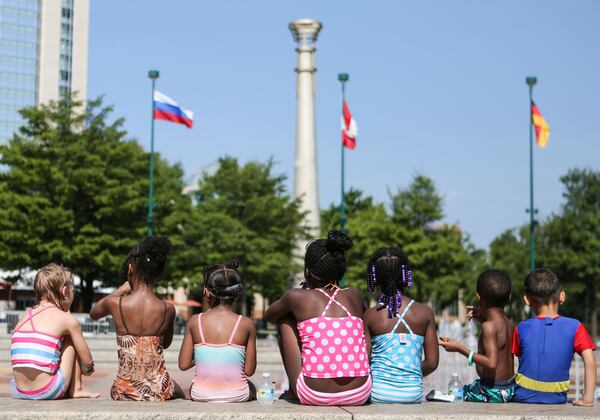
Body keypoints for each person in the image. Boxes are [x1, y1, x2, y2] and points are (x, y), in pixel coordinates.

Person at [265, 231, 372, 406]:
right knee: (361, 324)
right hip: (360, 393)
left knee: (284, 320)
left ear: (308, 271)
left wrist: (297, 305)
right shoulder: (354, 295)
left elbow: (270, 316)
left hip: (314, 394)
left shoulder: (297, 297)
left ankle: (293, 391)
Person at [90, 236, 183, 401]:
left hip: (124, 388)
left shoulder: (115, 303)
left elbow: (94, 313)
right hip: (158, 388)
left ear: (130, 269)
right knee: (181, 393)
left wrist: (121, 289)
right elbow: (166, 344)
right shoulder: (168, 309)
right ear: (159, 275)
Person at [10, 263, 98, 400]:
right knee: (69, 339)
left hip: (19, 389)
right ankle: (78, 389)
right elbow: (87, 361)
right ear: (65, 292)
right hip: (48, 390)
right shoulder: (67, 319)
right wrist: (87, 369)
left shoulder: (25, 316)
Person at [364, 247, 438, 403]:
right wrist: (409, 373)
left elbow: (363, 360)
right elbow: (432, 363)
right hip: (413, 394)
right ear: (405, 275)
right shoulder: (425, 313)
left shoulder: (370, 316)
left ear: (374, 278)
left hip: (378, 394)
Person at [512, 268, 596, 406]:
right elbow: (590, 360)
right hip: (556, 400)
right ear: (562, 296)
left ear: (527, 300)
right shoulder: (575, 327)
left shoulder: (521, 328)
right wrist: (587, 399)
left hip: (522, 398)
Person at [178, 260, 257, 402]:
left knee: (191, 388)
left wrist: (206, 356)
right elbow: (249, 370)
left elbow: (183, 364)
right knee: (252, 387)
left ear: (206, 292)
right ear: (237, 293)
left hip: (200, 394)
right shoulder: (246, 324)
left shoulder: (195, 321)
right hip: (237, 395)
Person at [439, 269, 515, 403]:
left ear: (478, 297)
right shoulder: (508, 323)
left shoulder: (488, 326)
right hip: (508, 388)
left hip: (492, 391)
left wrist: (459, 348)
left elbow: (491, 363)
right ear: (509, 297)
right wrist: (480, 316)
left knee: (455, 393)